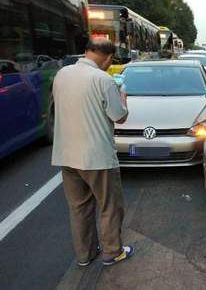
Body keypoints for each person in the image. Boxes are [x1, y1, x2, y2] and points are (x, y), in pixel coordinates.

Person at [51, 37, 133, 267]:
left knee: (79, 207)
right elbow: (120, 116)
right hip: (97, 157)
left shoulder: (62, 74)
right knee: (109, 206)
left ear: (86, 51)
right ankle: (113, 252)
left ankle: (85, 255)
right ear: (107, 58)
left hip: (66, 155)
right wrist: (122, 96)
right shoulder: (103, 79)